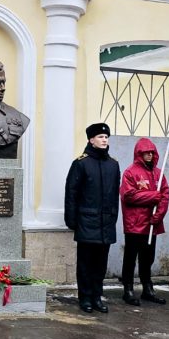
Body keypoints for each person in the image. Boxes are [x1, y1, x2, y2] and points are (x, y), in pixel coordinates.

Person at [65, 123, 120, 313]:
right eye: (100, 137)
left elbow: (115, 195)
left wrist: (113, 217)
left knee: (100, 264)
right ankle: (85, 298)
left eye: (106, 137)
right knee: (86, 264)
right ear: (91, 140)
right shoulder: (81, 163)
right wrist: (72, 220)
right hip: (87, 221)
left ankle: (97, 296)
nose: (104, 140)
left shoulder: (113, 164)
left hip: (106, 222)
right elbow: (71, 193)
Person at [118, 137, 168, 306]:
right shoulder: (130, 173)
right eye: (145, 153)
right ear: (139, 154)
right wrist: (152, 196)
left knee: (148, 257)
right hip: (134, 224)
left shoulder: (158, 174)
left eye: (151, 152)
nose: (149, 155)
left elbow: (165, 196)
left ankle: (148, 288)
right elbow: (129, 196)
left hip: (151, 224)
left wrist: (159, 215)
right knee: (131, 258)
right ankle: (128, 289)